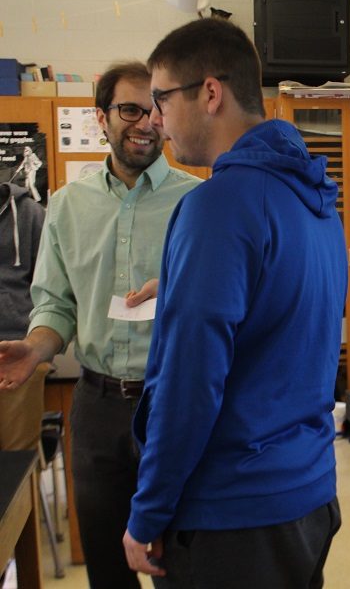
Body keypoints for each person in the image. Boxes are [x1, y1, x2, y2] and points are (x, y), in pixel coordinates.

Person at [123, 18, 346, 588]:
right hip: (307, 496)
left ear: (211, 93)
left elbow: (189, 380)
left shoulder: (216, 207)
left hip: (233, 516)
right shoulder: (314, 200)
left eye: (161, 100)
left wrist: (148, 510)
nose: (155, 121)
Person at [0, 61, 199, 589]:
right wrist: (37, 348)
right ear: (101, 118)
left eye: (155, 109)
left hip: (174, 403)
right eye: (130, 108)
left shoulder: (197, 203)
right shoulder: (66, 207)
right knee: (109, 569)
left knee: (181, 563)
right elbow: (55, 305)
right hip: (97, 410)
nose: (145, 122)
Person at [0, 179, 47, 453]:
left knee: (18, 462)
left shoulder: (29, 212)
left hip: (18, 353)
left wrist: (38, 351)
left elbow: (49, 289)